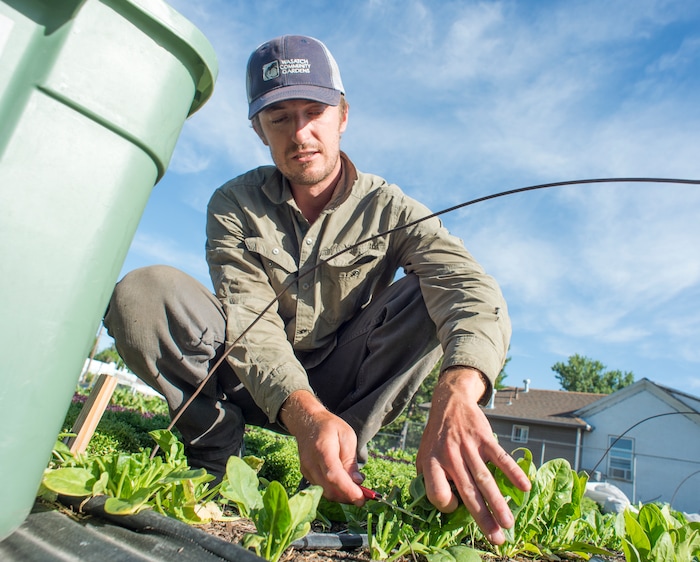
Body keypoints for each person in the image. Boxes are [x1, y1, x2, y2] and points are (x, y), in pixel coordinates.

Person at [104, 34, 530, 544]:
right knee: (142, 293)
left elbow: (469, 287)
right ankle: (211, 450)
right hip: (249, 376)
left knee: (428, 293)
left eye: (314, 111)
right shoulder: (234, 204)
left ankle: (343, 460)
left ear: (343, 115)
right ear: (259, 130)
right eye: (279, 117)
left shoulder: (391, 209)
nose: (300, 133)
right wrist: (305, 416)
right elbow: (247, 320)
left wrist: (458, 389)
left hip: (343, 383)